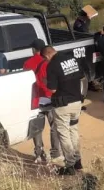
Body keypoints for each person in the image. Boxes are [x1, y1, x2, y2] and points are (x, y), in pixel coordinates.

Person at [45, 46, 84, 175]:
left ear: (47, 56)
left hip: (63, 105)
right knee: (74, 130)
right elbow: (81, 77)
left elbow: (53, 90)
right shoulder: (72, 59)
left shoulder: (52, 65)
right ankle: (78, 161)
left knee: (64, 133)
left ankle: (70, 165)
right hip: (77, 101)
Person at [23, 39, 62, 165]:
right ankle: (55, 153)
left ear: (34, 49)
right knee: (54, 127)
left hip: (35, 101)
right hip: (49, 98)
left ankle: (39, 154)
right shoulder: (48, 62)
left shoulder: (27, 63)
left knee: (37, 129)